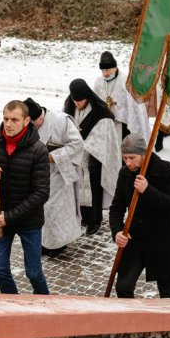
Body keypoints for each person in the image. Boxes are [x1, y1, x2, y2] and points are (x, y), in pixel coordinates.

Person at [0, 100, 50, 295]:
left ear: (26, 121)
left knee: (33, 273)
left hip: (28, 221)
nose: (8, 124)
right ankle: (14, 303)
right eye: (6, 118)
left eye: (14, 120)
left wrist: (9, 216)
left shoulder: (38, 150)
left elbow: (41, 193)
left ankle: (46, 304)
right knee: (0, 269)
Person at [109, 134, 170, 298]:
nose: (128, 162)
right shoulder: (125, 173)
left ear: (144, 154)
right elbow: (116, 208)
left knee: (168, 296)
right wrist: (117, 231)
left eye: (132, 157)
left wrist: (148, 190)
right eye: (124, 158)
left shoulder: (169, 171)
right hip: (136, 240)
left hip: (163, 243)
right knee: (123, 287)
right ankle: (132, 316)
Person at [23, 98, 84, 257]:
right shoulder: (25, 124)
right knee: (41, 208)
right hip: (37, 173)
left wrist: (53, 156)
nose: (36, 125)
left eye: (38, 121)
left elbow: (77, 144)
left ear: (41, 114)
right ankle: (44, 243)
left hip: (59, 171)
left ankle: (59, 244)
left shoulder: (60, 120)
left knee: (56, 209)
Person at [64, 79, 121, 236]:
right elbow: (64, 125)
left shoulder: (100, 111)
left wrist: (83, 146)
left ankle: (95, 220)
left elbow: (103, 135)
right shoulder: (69, 104)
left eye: (80, 101)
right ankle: (81, 217)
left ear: (87, 97)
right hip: (75, 158)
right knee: (76, 187)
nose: (76, 104)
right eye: (74, 101)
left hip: (93, 157)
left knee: (93, 188)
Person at [93, 51, 150, 142]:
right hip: (105, 124)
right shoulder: (99, 82)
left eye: (107, 70)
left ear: (115, 68)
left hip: (124, 125)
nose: (105, 74)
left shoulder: (125, 81)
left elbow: (135, 107)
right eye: (102, 71)